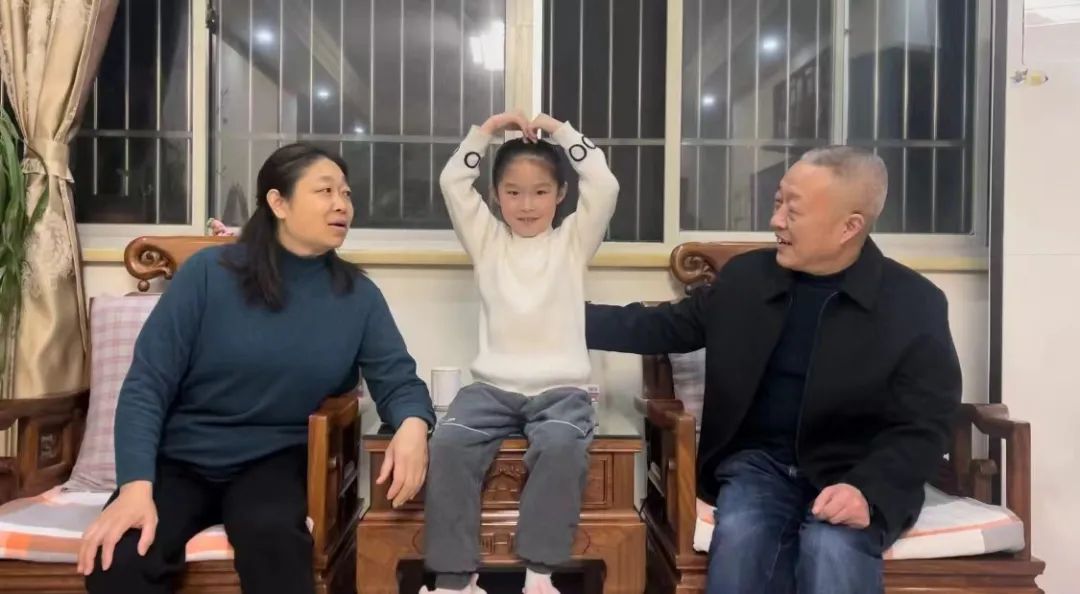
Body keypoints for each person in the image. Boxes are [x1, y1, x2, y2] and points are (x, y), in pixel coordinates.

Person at [585, 146, 961, 594]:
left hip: (857, 470)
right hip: (758, 467)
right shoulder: (747, 279)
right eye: (778, 201)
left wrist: (869, 490)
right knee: (742, 538)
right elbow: (660, 326)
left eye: (792, 211)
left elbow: (927, 422)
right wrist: (554, 316)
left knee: (832, 548)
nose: (775, 220)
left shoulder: (913, 303)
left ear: (849, 226)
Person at [79, 143, 436, 594]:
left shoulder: (357, 296)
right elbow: (146, 384)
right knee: (120, 559)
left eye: (346, 193)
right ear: (278, 202)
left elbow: (399, 380)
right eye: (325, 191)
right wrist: (135, 485)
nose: (342, 205)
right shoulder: (207, 274)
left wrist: (413, 425)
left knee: (275, 543)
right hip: (181, 459)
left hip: (274, 462)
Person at [422, 112, 619, 594]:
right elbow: (452, 181)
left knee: (559, 446)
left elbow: (605, 183)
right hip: (491, 389)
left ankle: (540, 577)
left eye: (540, 192)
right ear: (495, 196)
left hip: (562, 391)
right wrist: (486, 132)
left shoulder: (573, 241)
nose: (526, 205)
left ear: (561, 194)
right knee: (447, 444)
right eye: (512, 192)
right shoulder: (486, 240)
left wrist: (560, 130)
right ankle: (454, 581)